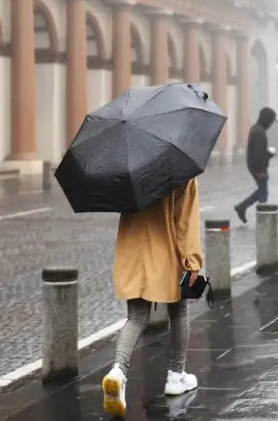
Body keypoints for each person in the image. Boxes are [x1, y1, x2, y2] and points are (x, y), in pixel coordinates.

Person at [102, 178, 202, 416]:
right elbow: (185, 221)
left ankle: (118, 371)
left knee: (136, 318)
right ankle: (176, 375)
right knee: (179, 310)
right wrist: (193, 260)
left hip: (133, 251)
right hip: (166, 251)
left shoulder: (129, 171)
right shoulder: (182, 171)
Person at [234, 107, 277, 224]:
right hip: (257, 167)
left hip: (255, 165)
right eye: (271, 121)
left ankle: (241, 207)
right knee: (263, 193)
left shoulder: (257, 129)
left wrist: (268, 155)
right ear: (267, 120)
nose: (271, 124)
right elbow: (258, 154)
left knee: (262, 191)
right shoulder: (259, 132)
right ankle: (263, 219)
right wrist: (261, 170)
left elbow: (259, 151)